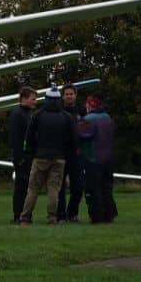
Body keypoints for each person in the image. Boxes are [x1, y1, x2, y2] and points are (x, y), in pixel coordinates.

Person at [19, 86, 78, 226]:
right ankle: (52, 219)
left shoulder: (38, 115)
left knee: (33, 189)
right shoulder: (66, 117)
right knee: (53, 190)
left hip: (40, 157)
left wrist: (31, 153)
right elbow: (74, 140)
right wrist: (67, 154)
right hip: (59, 158)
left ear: (46, 99)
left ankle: (25, 218)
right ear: (59, 99)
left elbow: (29, 137)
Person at [78, 94, 117, 223]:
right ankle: (109, 214)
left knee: (93, 189)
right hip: (108, 159)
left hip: (93, 159)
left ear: (89, 105)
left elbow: (82, 135)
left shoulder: (88, 119)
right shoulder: (107, 117)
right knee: (107, 188)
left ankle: (97, 216)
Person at [55, 84, 87, 223]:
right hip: (61, 153)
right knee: (59, 186)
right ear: (62, 96)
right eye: (66, 94)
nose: (69, 96)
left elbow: (87, 131)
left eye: (71, 94)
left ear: (75, 95)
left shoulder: (82, 110)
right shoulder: (57, 110)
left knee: (79, 186)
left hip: (77, 153)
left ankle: (72, 213)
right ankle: (61, 216)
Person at [7, 87, 37, 224]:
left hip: (30, 157)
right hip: (22, 158)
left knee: (28, 188)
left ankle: (26, 215)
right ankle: (18, 216)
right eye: (33, 99)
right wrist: (19, 159)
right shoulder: (17, 114)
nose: (35, 102)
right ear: (24, 98)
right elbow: (15, 138)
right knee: (21, 188)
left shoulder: (29, 114)